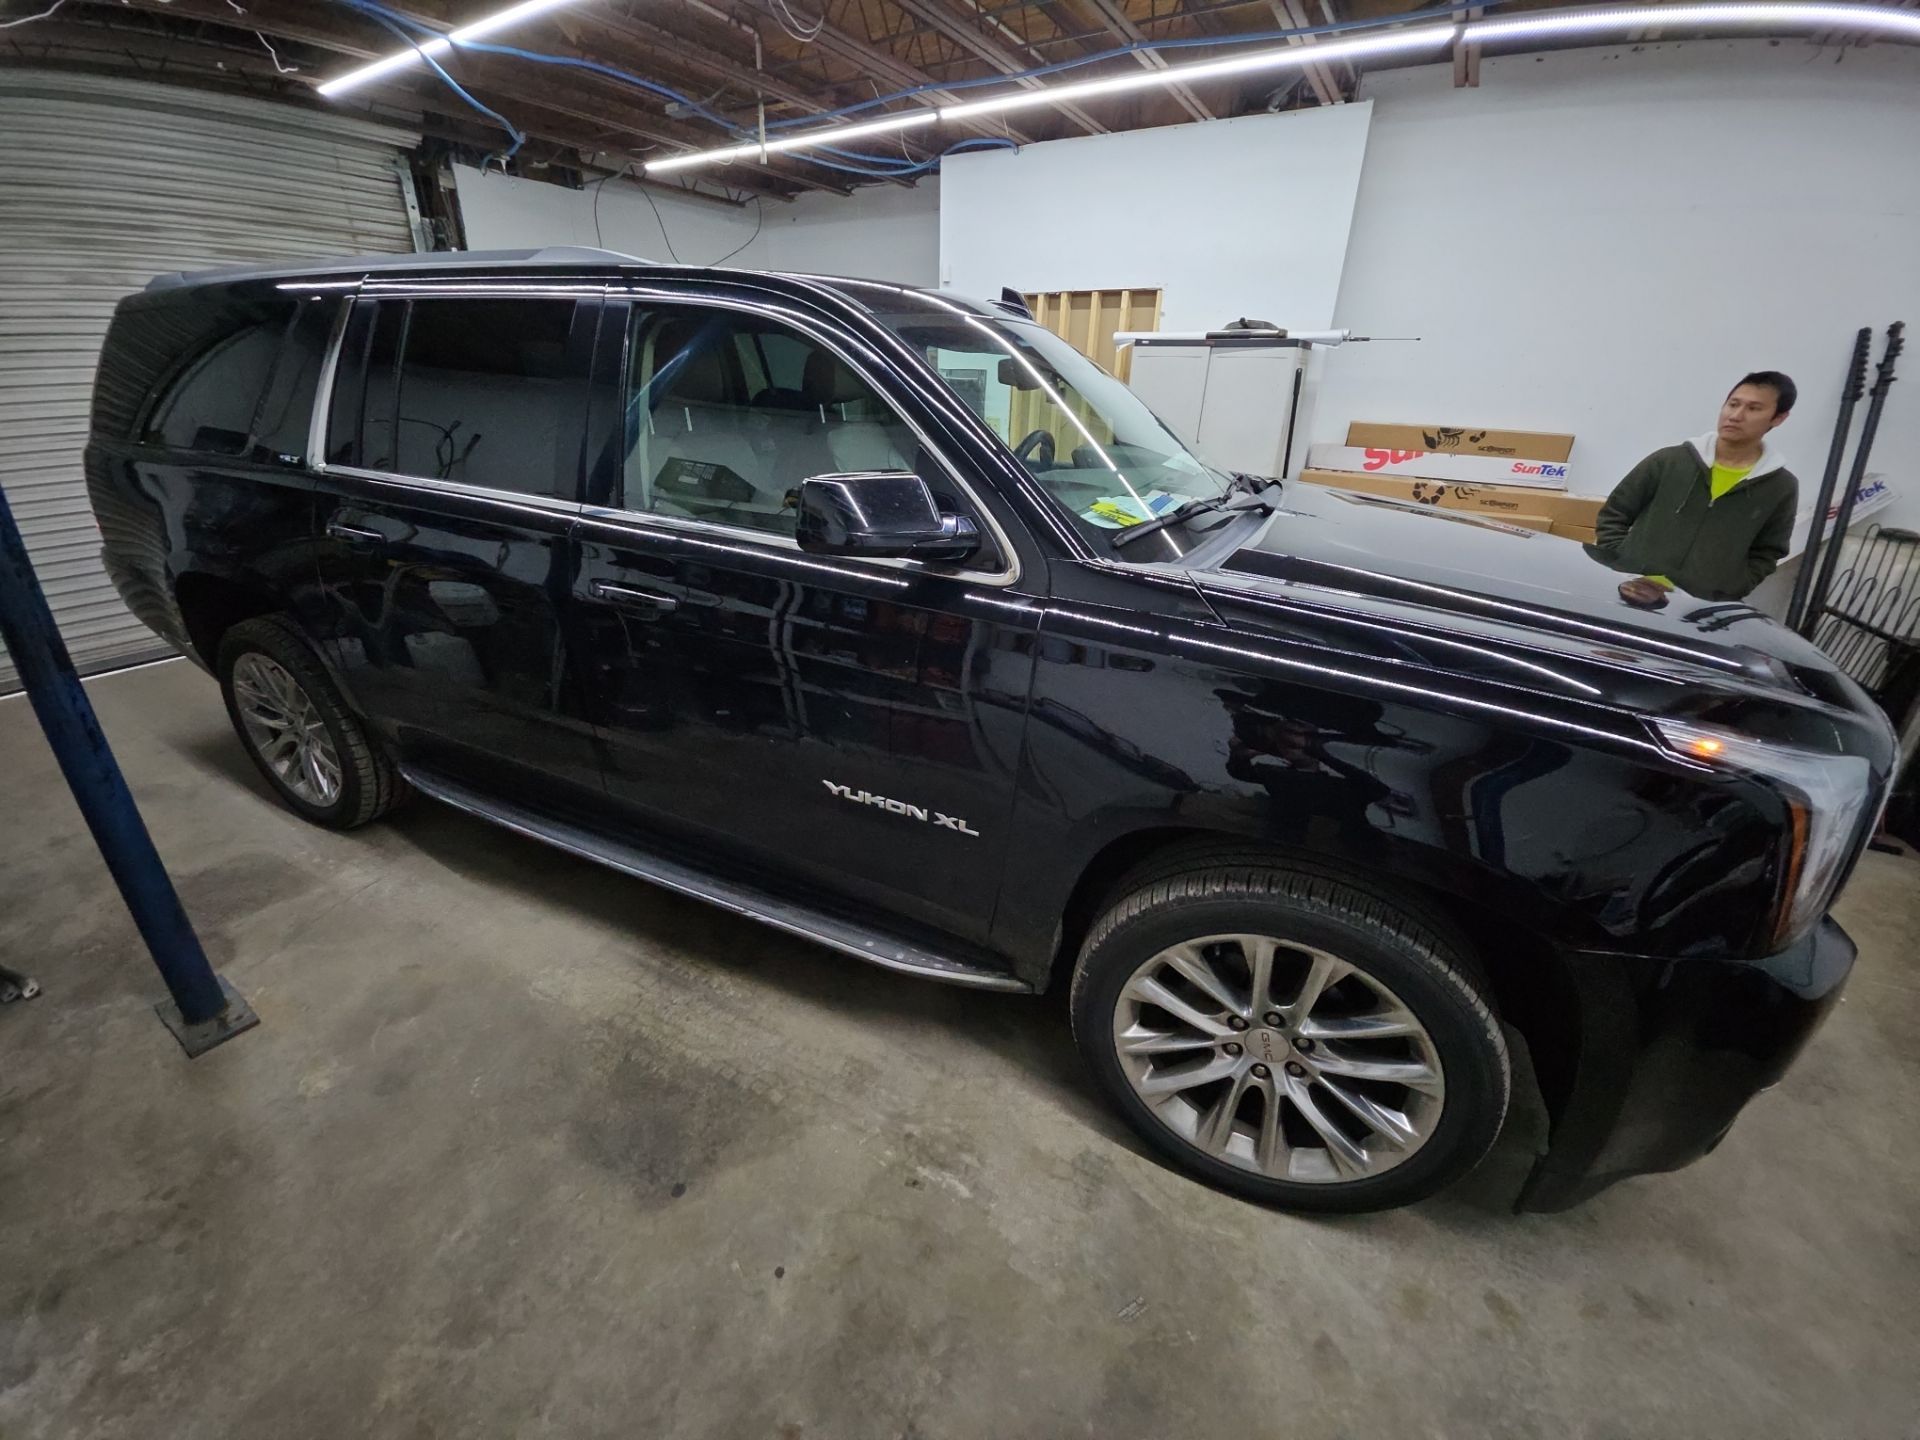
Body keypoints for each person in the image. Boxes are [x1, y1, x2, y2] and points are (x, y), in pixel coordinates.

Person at [1585, 372, 1800, 604]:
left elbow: (1768, 552)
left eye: (1754, 409)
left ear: (1778, 418)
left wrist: (1730, 587)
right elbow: (1615, 512)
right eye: (1733, 404)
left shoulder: (1780, 486)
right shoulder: (1669, 461)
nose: (1736, 416)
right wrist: (1622, 561)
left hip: (1698, 608)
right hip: (1629, 591)